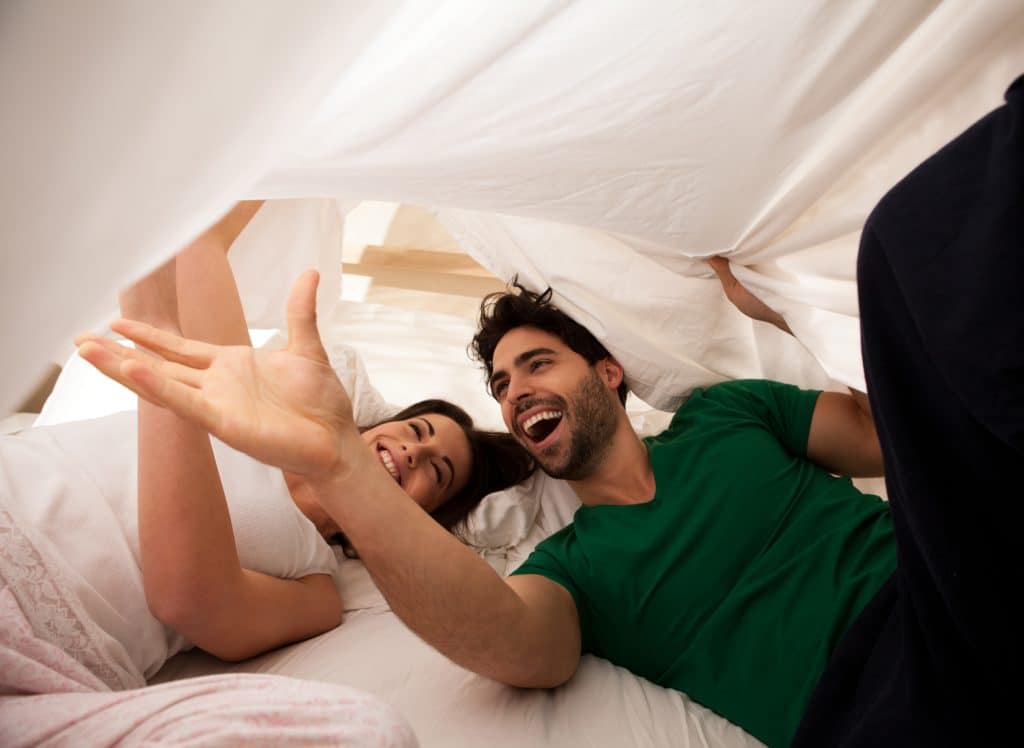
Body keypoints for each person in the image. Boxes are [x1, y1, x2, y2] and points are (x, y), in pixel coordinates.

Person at [73, 77, 1023, 747]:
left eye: (537, 364)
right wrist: (343, 465)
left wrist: (789, 314)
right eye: (500, 385)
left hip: (944, 579)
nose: (515, 388)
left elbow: (899, 437)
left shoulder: (730, 416)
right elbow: (508, 641)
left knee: (904, 240)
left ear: (609, 371)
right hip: (870, 709)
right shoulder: (569, 566)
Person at [0, 202, 531, 747]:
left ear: (421, 518)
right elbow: (201, 245)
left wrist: (157, 339)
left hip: (37, 633)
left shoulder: (315, 588)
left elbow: (193, 601)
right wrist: (283, 161)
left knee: (370, 732)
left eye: (438, 472)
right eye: (416, 429)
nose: (414, 452)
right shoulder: (246, 390)